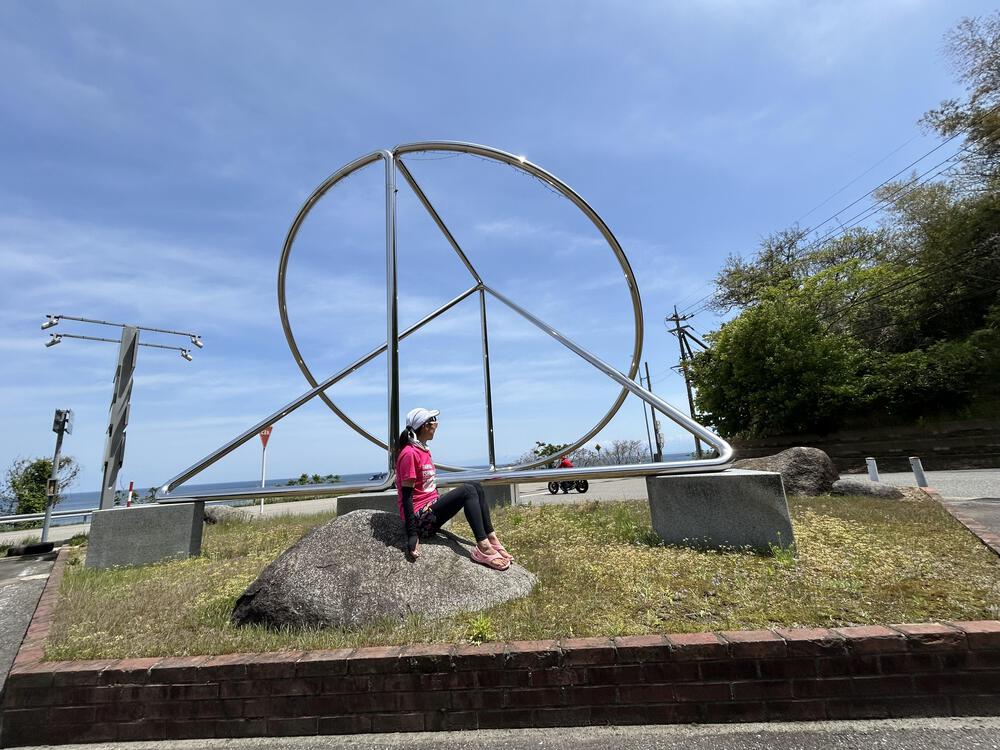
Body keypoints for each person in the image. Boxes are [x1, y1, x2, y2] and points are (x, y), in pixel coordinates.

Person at [395, 407, 512, 571]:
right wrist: (412, 534)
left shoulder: (423, 450)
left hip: (430, 508)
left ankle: (491, 538)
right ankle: (483, 548)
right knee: (467, 491)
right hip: (419, 519)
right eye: (434, 421)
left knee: (475, 486)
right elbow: (406, 496)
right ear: (425, 426)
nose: (437, 424)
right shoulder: (409, 453)